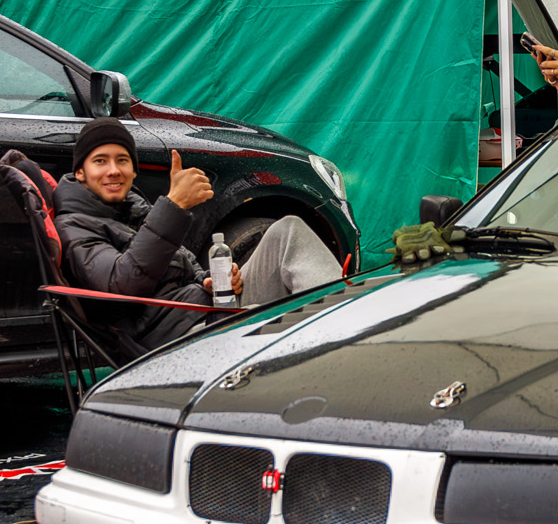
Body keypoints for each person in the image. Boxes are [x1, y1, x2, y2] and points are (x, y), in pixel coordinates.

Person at [53, 118, 343, 357]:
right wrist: (173, 206)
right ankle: (335, 347)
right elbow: (123, 284)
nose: (114, 170)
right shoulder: (75, 226)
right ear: (80, 172)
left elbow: (182, 264)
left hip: (206, 304)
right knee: (269, 321)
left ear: (132, 170)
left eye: (122, 160)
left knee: (288, 230)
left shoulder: (133, 207)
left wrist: (208, 279)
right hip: (173, 336)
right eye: (100, 161)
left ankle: (345, 325)